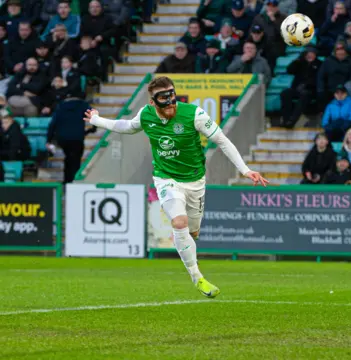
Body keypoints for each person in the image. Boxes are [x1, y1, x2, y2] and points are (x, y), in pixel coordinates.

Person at [84, 76, 268, 298]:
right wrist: (97, 120)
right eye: (163, 98)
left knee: (193, 231)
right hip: (166, 179)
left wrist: (245, 169)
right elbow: (127, 126)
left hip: (195, 181)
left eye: (172, 95)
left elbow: (222, 140)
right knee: (178, 222)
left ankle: (191, 252)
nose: (170, 102)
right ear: (153, 102)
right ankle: (197, 277)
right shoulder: (146, 114)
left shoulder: (194, 114)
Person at [46, 97, 94, 184]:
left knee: (68, 157)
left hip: (63, 138)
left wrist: (49, 139)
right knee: (75, 159)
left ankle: (67, 180)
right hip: (77, 137)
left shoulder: (60, 106)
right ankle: (74, 180)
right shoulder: (83, 105)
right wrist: (93, 128)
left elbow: (53, 124)